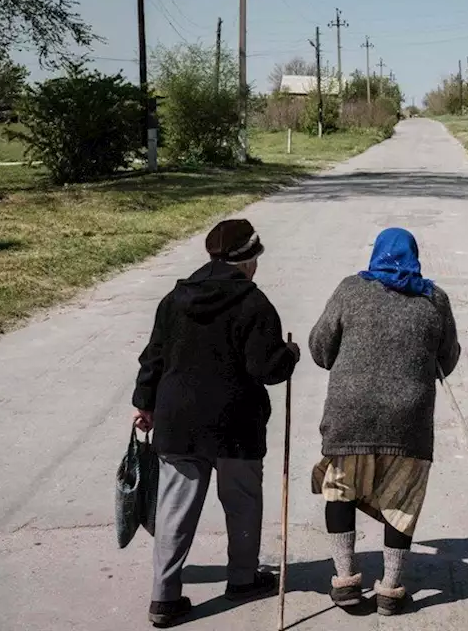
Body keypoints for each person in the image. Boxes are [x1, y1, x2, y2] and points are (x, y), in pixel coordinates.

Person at [132, 218, 301, 628]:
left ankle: (164, 598)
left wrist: (144, 402)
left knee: (174, 510)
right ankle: (242, 580)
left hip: (178, 422)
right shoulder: (254, 303)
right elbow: (267, 368)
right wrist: (290, 353)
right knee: (242, 503)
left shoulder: (175, 298)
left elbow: (154, 356)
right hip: (236, 424)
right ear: (248, 260)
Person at [307, 227, 461, 616]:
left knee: (340, 490)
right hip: (407, 421)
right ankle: (390, 589)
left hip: (349, 416)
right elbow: (448, 360)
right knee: (402, 501)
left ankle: (344, 582)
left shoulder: (350, 290)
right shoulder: (434, 298)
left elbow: (321, 350)